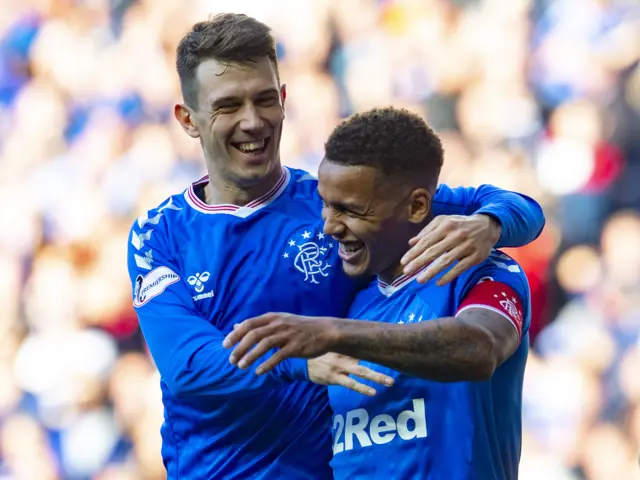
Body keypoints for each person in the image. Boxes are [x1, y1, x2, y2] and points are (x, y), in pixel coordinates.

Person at [126, 13, 544, 480]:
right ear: (189, 119)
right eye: (228, 106)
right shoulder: (158, 233)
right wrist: (301, 361)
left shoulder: (336, 203)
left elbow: (509, 205)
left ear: (284, 101)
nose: (253, 121)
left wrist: (490, 223)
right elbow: (185, 365)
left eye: (265, 99)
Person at [225, 107, 532, 479]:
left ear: (417, 205)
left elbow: (481, 348)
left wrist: (333, 334)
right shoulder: (351, 298)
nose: (328, 227)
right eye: (325, 204)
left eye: (350, 210)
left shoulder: (483, 273)